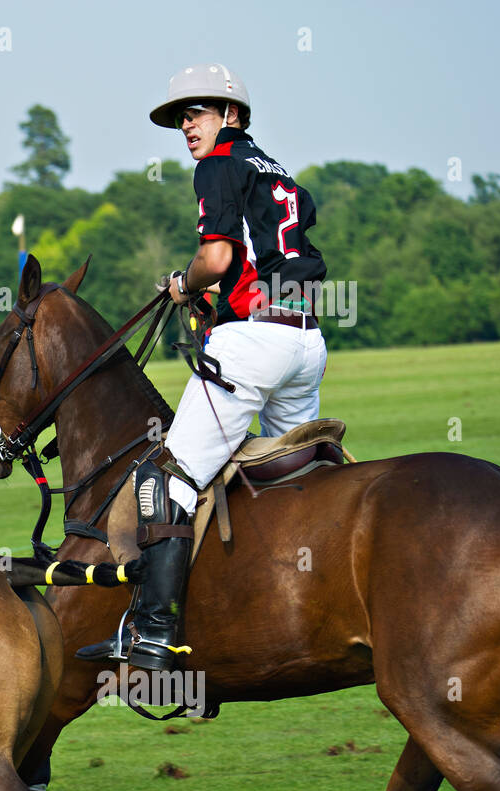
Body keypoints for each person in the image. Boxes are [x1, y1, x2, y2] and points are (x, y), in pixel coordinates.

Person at [77, 63, 328, 672]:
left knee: (167, 481)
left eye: (198, 112)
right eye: (180, 117)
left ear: (232, 116)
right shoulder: (276, 168)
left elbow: (215, 258)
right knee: (295, 474)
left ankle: (155, 633)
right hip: (306, 343)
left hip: (252, 345)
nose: (186, 125)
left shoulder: (218, 165)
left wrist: (184, 285)